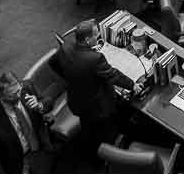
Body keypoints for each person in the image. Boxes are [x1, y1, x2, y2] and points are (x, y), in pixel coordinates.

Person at [48, 20, 134, 157]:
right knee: (105, 133)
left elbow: (52, 63)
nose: (99, 37)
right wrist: (133, 84)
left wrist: (72, 79)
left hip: (77, 102)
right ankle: (107, 156)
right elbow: (113, 76)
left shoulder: (66, 46)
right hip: (98, 108)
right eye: (96, 35)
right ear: (88, 40)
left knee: (89, 130)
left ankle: (92, 151)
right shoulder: (94, 58)